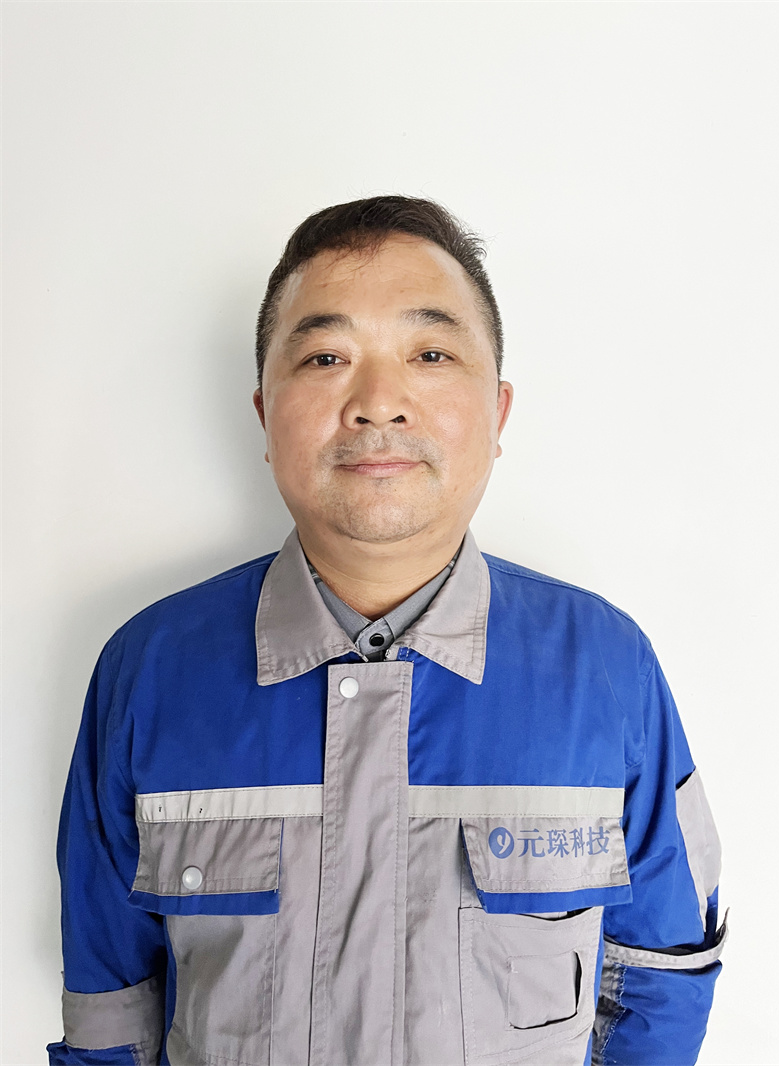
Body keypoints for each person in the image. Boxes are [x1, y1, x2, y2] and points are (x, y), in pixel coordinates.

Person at [47, 196, 726, 1066]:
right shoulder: (149, 672)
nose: (377, 403)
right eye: (326, 357)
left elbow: (664, 973)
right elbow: (109, 1007)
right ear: (264, 414)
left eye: (430, 354)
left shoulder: (606, 668)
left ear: (498, 413)